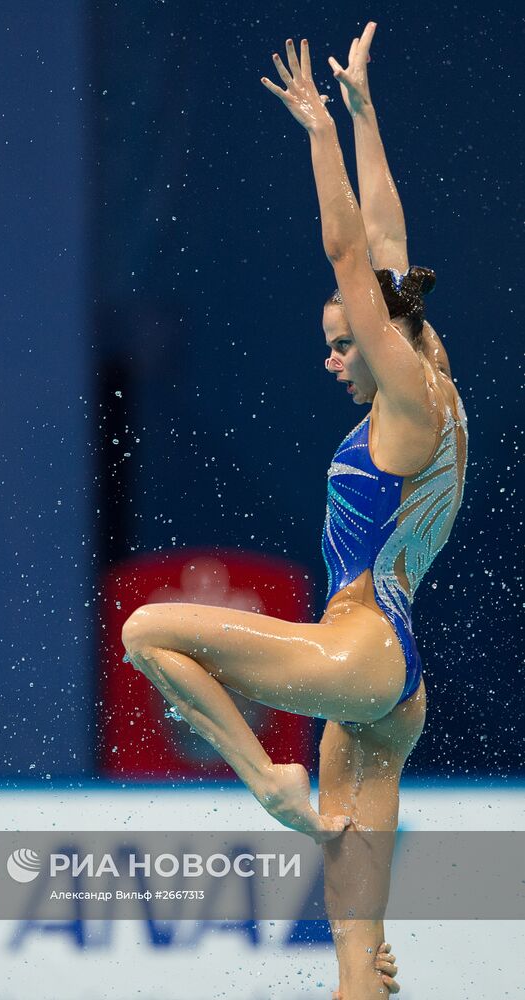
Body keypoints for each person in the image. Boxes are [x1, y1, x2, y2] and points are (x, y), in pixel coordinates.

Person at [121, 22, 467, 999]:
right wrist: (364, 116)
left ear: (377, 342)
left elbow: (351, 252)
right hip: (391, 686)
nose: (330, 354)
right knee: (357, 965)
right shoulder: (435, 387)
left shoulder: (402, 402)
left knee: (149, 631)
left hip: (358, 658)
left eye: (338, 339)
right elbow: (389, 251)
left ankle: (266, 782)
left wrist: (316, 126)